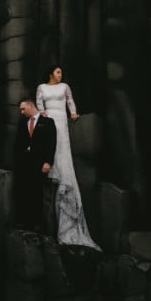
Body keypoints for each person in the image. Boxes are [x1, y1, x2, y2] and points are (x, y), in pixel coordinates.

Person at [37, 65, 101, 250]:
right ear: (51, 73)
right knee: (51, 145)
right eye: (57, 72)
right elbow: (40, 104)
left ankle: (64, 181)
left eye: (61, 72)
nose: (60, 75)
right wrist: (43, 114)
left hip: (61, 119)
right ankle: (52, 168)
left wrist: (73, 113)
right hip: (49, 118)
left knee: (63, 149)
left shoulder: (64, 86)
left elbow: (70, 101)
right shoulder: (42, 87)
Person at [13, 97, 57, 233]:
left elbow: (51, 143)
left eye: (23, 108)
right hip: (24, 164)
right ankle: (24, 222)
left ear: (31, 106)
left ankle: (38, 223)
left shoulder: (47, 122)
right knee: (23, 192)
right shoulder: (23, 123)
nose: (21, 112)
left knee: (37, 192)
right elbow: (18, 143)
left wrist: (48, 162)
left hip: (39, 164)